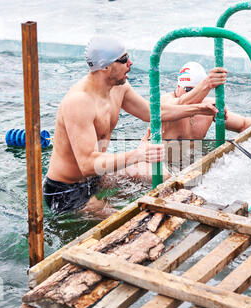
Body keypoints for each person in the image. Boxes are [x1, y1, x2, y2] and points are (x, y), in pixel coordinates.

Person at [43, 35, 169, 218]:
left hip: (97, 178)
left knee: (164, 177)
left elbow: (153, 112)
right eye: (124, 59)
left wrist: (197, 109)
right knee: (130, 221)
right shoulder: (79, 101)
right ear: (106, 67)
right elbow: (86, 165)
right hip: (66, 192)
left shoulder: (119, 87)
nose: (131, 63)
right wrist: (138, 154)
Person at [160, 61, 251, 174]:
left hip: (193, 161)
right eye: (190, 90)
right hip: (164, 167)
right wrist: (207, 84)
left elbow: (243, 124)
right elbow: (180, 103)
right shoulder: (165, 101)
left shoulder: (208, 107)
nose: (197, 94)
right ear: (178, 87)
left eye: (201, 91)